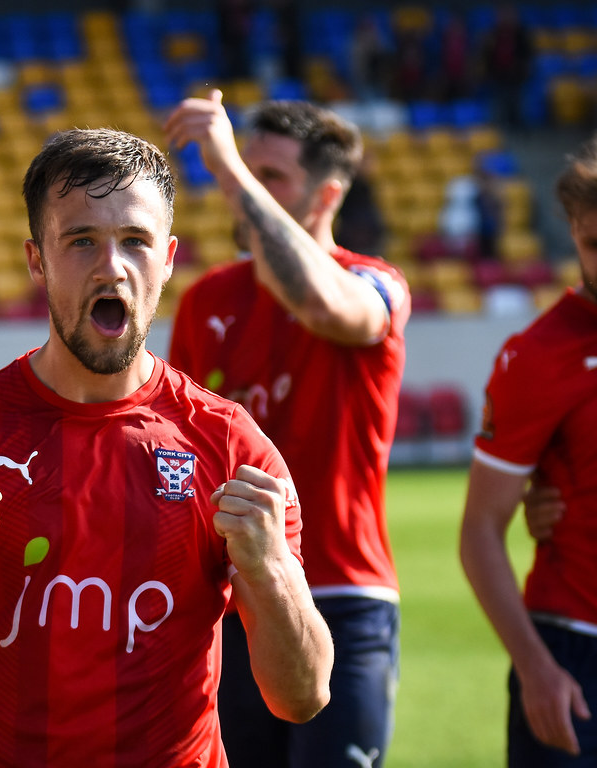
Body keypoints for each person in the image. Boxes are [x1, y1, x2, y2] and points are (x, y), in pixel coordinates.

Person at [0, 127, 333, 767]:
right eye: (82, 240)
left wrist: (271, 572)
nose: (112, 266)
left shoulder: (231, 447)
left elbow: (305, 695)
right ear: (37, 258)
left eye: (135, 242)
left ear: (169, 258)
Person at [164, 92, 410, 766]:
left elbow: (318, 303)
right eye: (250, 170)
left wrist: (225, 166)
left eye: (272, 176)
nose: (247, 190)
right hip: (232, 600)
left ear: (328, 194)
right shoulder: (209, 299)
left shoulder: (373, 283)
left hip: (342, 591)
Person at [459, 135, 597, 765]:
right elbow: (482, 530)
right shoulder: (539, 357)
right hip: (575, 653)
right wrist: (536, 668)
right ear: (573, 231)